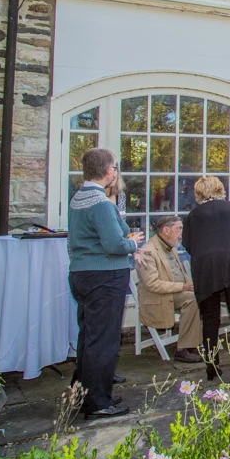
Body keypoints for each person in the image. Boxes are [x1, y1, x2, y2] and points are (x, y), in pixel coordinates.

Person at [68, 148, 145, 419]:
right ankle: (98, 402)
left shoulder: (79, 197)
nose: (116, 172)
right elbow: (114, 244)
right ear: (109, 170)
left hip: (82, 273)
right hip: (103, 276)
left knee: (88, 336)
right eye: (115, 167)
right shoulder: (100, 203)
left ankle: (83, 392)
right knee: (103, 341)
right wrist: (132, 244)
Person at [183, 176, 230, 381]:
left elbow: (188, 244)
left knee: (210, 317)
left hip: (206, 266)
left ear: (199, 193)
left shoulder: (193, 215)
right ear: (220, 189)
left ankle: (212, 365)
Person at [136, 215, 203, 363]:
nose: (181, 234)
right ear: (166, 230)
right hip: (157, 297)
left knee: (202, 295)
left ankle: (193, 343)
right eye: (179, 229)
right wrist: (183, 287)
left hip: (173, 292)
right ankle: (183, 349)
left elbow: (178, 273)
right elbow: (152, 284)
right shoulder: (148, 251)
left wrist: (191, 284)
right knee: (192, 300)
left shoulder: (168, 246)